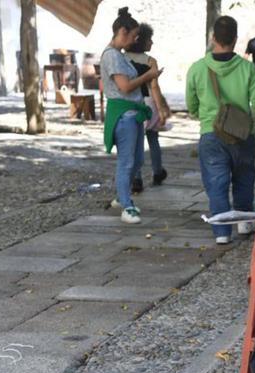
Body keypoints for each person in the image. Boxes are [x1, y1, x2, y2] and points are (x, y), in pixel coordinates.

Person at [187, 15, 255, 245]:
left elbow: (192, 105)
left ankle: (222, 232)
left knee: (216, 182)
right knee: (244, 176)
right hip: (242, 134)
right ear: (236, 39)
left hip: (211, 134)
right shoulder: (248, 69)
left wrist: (205, 116)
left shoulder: (197, 69)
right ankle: (245, 221)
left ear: (213, 38)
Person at [102, 7, 161, 224]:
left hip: (134, 114)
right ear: (123, 32)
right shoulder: (112, 56)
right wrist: (149, 75)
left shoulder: (120, 56)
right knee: (127, 162)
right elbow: (125, 86)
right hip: (124, 115)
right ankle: (127, 206)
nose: (135, 40)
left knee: (136, 161)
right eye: (134, 36)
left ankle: (122, 195)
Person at [126, 23, 170, 192]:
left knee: (135, 142)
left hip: (130, 104)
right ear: (141, 41)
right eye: (149, 39)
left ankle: (136, 178)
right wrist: (161, 109)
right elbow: (154, 88)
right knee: (153, 138)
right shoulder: (151, 61)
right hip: (149, 103)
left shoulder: (122, 58)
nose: (152, 43)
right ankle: (157, 172)